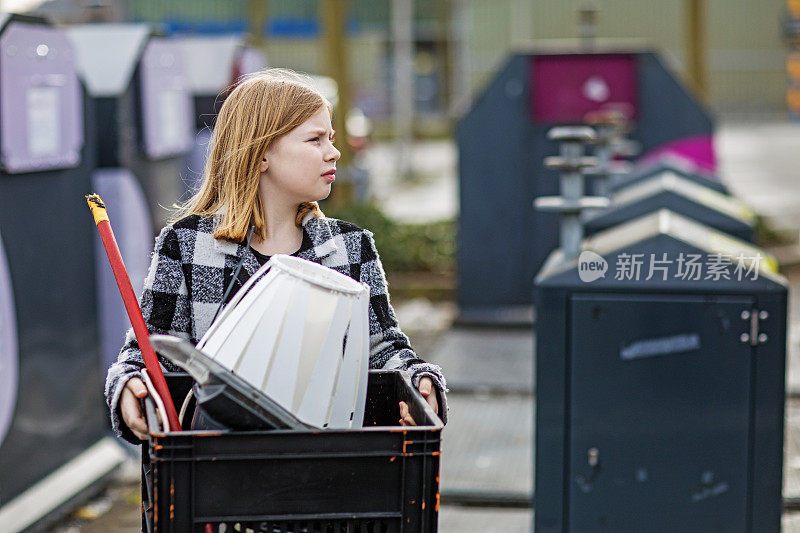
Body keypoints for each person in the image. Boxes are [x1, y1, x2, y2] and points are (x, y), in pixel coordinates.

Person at [104, 69, 448, 442]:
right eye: (315, 139)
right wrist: (128, 386)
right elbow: (149, 353)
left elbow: (384, 350)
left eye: (330, 138)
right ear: (262, 153)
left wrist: (420, 378)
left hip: (325, 462)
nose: (334, 152)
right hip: (215, 470)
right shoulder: (185, 246)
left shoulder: (352, 249)